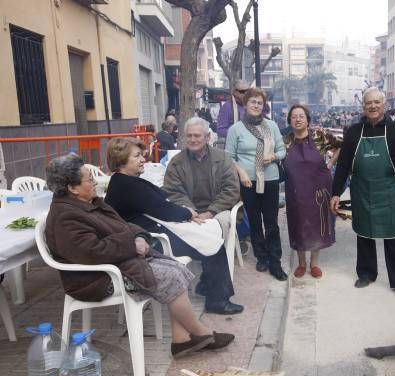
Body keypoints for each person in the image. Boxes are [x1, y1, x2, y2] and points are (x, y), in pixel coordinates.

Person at [44, 154, 235, 358]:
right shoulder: (67, 216)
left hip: (117, 262)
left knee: (176, 269)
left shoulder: (88, 203)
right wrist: (131, 244)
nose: (95, 182)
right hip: (97, 279)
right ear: (72, 188)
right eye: (89, 179)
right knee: (171, 276)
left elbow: (123, 225)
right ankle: (200, 332)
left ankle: (181, 340)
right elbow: (92, 251)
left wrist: (140, 236)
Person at [104, 136, 243, 315]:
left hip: (148, 234)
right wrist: (188, 213)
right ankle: (218, 301)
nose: (143, 159)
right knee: (214, 244)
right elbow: (163, 209)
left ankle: (205, 286)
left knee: (208, 238)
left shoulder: (121, 181)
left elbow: (158, 204)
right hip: (154, 242)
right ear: (121, 160)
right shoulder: (128, 185)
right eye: (137, 156)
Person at [330, 87, 395, 300]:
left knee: (393, 236)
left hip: (387, 190)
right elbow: (342, 165)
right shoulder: (353, 131)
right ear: (363, 106)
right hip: (361, 190)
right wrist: (335, 192)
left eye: (377, 102)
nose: (373, 106)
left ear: (383, 105)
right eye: (369, 103)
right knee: (364, 234)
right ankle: (366, 274)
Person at [225, 87, 288, 281]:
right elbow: (229, 156)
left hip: (269, 179)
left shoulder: (272, 126)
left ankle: (275, 261)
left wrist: (274, 156)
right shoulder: (236, 129)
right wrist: (241, 172)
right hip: (248, 181)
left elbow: (282, 150)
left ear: (264, 106)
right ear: (245, 103)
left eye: (260, 103)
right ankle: (261, 256)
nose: (256, 105)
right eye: (253, 101)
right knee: (254, 220)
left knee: (271, 222)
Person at [162, 117, 242, 256]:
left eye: (197, 135)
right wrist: (191, 212)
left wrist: (211, 212)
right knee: (174, 226)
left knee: (218, 226)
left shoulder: (222, 158)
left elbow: (231, 189)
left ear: (207, 137)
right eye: (189, 135)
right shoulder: (176, 163)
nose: (193, 140)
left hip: (219, 210)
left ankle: (214, 264)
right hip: (189, 211)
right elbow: (173, 191)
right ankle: (198, 258)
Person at [283, 105, 335, 279]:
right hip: (295, 190)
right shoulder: (285, 141)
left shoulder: (319, 136)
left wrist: (330, 163)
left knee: (317, 224)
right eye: (294, 117)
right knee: (297, 223)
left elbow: (341, 145)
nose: (297, 119)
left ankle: (314, 264)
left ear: (307, 120)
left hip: (319, 188)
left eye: (301, 116)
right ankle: (301, 263)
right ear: (290, 121)